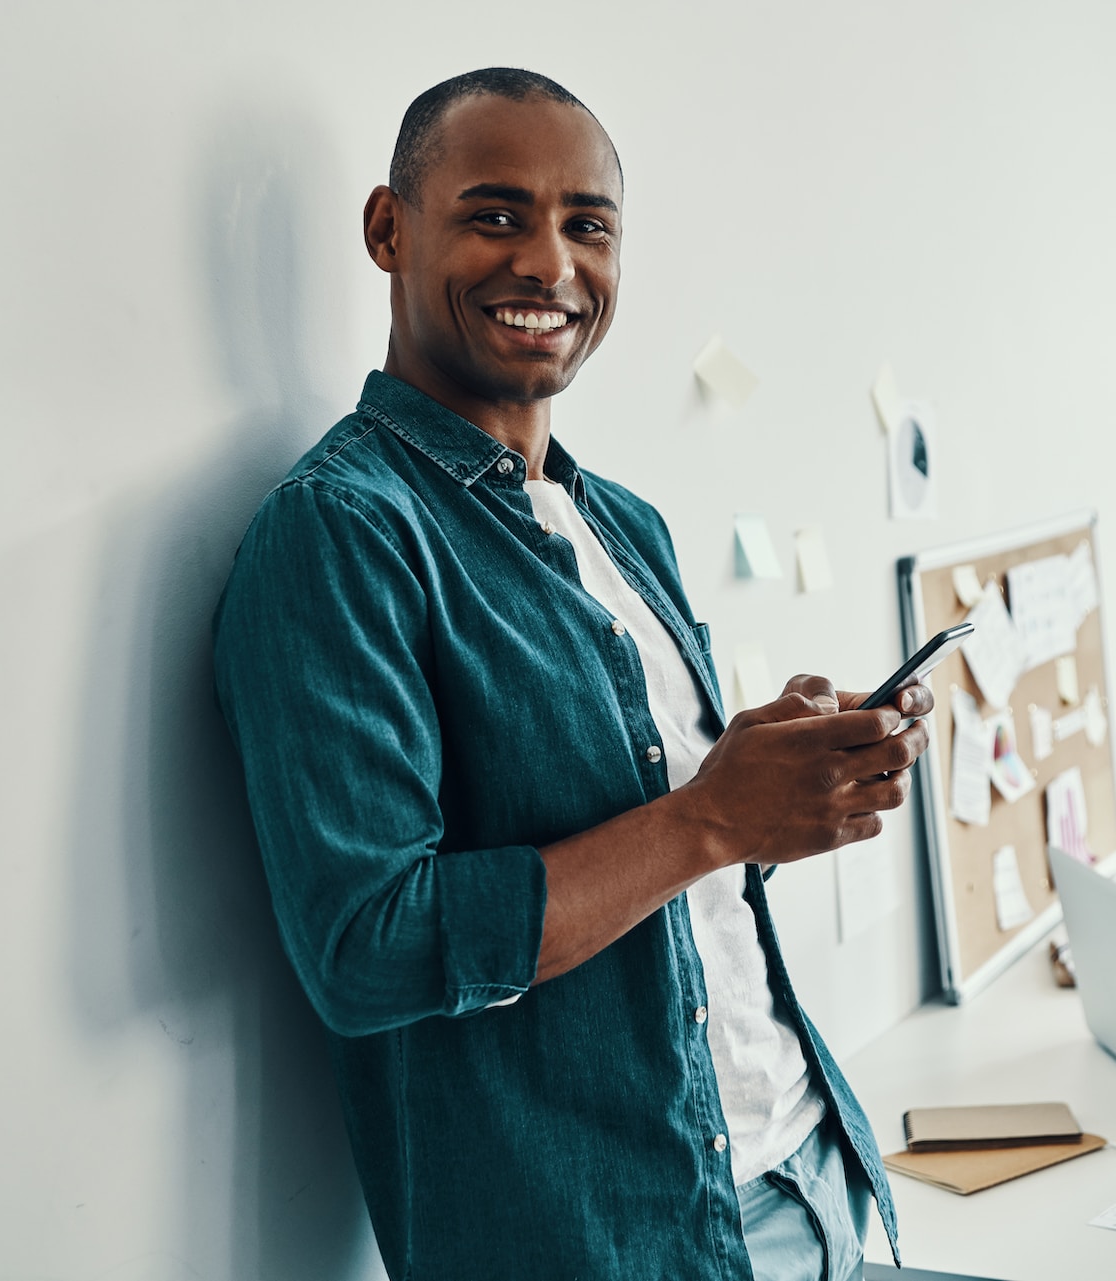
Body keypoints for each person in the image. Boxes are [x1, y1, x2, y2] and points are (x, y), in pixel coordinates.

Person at [212, 67, 933, 1281]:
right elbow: (369, 947)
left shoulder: (624, 525)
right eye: (497, 215)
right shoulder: (339, 531)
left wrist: (773, 775)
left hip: (810, 1175)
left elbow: (661, 854)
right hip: (607, 1242)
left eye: (586, 225)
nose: (549, 265)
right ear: (391, 228)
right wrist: (711, 817)